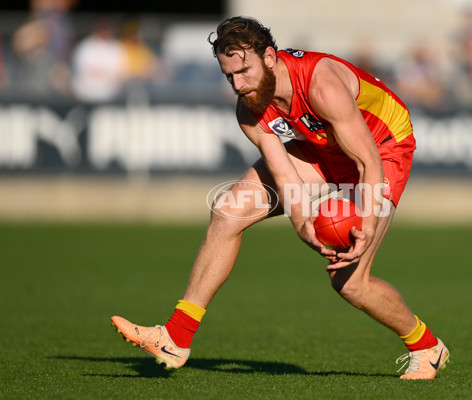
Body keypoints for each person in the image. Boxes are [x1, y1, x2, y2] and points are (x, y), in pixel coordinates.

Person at [111, 16, 449, 380]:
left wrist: (366, 222)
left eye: (244, 71)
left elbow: (367, 161)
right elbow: (285, 174)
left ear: (270, 57)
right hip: (324, 149)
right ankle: (175, 337)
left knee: (350, 283)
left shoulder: (322, 85)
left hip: (383, 148)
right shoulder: (249, 110)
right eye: (229, 76)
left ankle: (426, 346)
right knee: (228, 212)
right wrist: (304, 224)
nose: (238, 85)